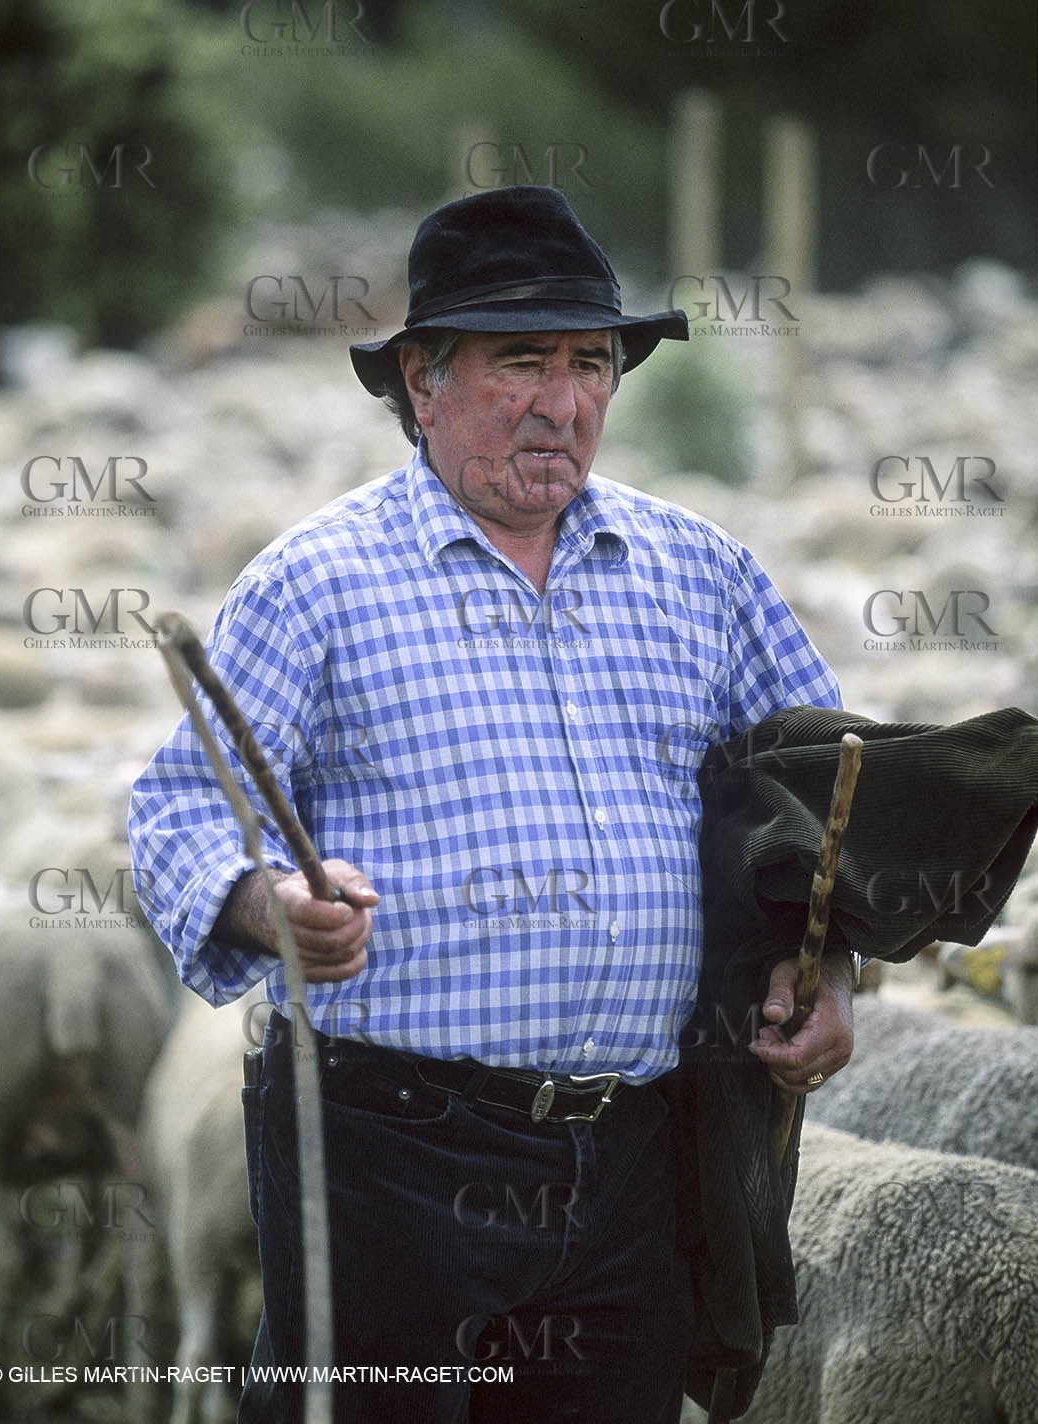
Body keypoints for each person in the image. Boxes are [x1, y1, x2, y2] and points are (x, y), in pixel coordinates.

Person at [129, 186, 854, 1424]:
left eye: (589, 363)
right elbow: (184, 810)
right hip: (389, 1153)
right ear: (423, 379)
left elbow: (816, 791)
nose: (562, 403)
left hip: (634, 1156)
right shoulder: (314, 583)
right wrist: (269, 905)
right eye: (521, 361)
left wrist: (823, 962)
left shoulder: (700, 573)